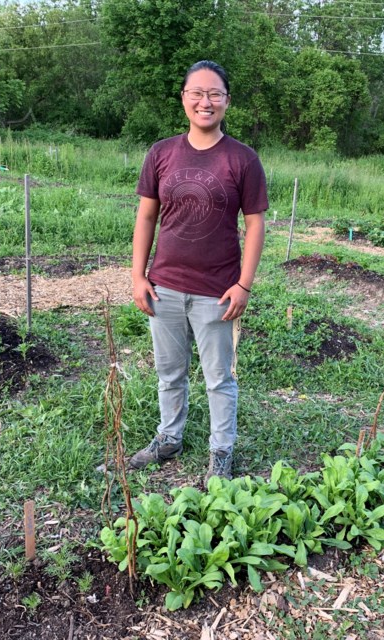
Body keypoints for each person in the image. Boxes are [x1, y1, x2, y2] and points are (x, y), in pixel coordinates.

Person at [125, 60, 268, 483]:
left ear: (226, 101)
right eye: (197, 93)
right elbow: (146, 217)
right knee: (169, 373)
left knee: (218, 378)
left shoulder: (242, 159)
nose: (206, 102)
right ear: (184, 98)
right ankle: (169, 438)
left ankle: (220, 452)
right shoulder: (162, 153)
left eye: (215, 94)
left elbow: (256, 223)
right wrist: (138, 276)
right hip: (164, 286)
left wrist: (244, 284)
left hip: (217, 290)